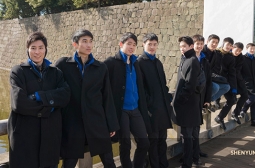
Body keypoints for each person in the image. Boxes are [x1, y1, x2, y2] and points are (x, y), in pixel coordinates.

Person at [55, 29, 119, 168]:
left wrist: (111, 123)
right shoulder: (63, 65)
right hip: (73, 122)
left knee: (108, 160)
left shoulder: (100, 67)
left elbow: (107, 96)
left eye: (90, 41)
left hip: (97, 121)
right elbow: (54, 89)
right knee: (69, 162)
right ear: (75, 44)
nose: (88, 45)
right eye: (84, 41)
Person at [8, 31, 70, 168]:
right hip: (25, 136)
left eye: (41, 48)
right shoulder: (18, 71)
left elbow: (65, 95)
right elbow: (18, 103)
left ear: (46, 49)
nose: (37, 52)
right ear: (27, 50)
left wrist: (39, 96)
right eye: (33, 48)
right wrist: (50, 107)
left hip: (50, 136)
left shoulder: (56, 73)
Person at [104, 32, 151, 168]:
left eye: (134, 44)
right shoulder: (111, 62)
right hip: (121, 110)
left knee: (144, 142)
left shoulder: (135, 62)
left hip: (135, 109)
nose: (131, 47)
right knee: (125, 144)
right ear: (121, 44)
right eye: (128, 44)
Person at [138, 33, 172, 168]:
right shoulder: (140, 62)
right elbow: (141, 88)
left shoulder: (157, 62)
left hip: (163, 108)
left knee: (162, 140)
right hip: (151, 110)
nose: (152, 47)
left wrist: (167, 98)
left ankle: (164, 164)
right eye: (149, 44)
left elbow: (163, 84)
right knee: (153, 141)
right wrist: (149, 103)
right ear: (143, 44)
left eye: (154, 44)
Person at [172, 36, 201, 168]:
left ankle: (187, 163)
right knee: (187, 134)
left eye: (184, 46)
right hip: (187, 103)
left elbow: (189, 85)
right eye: (180, 46)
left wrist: (179, 100)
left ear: (190, 46)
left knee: (187, 135)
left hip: (188, 104)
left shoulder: (192, 60)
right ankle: (188, 159)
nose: (181, 49)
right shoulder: (185, 58)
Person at [192, 34, 212, 159]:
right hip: (191, 98)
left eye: (201, 44)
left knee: (197, 125)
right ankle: (190, 153)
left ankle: (197, 150)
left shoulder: (205, 60)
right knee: (190, 128)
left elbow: (209, 81)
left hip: (201, 97)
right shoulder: (188, 58)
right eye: (197, 44)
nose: (199, 46)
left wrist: (207, 99)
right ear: (192, 45)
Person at [213, 37, 237, 130]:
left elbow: (232, 73)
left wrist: (234, 89)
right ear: (223, 44)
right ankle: (216, 100)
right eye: (227, 44)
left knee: (232, 100)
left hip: (224, 81)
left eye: (231, 45)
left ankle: (220, 117)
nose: (229, 47)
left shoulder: (231, 57)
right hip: (214, 79)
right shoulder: (216, 53)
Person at [202, 34, 230, 112]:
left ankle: (207, 102)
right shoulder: (202, 52)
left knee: (226, 87)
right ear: (207, 41)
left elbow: (213, 70)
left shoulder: (215, 54)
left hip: (209, 77)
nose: (214, 44)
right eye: (213, 42)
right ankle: (202, 103)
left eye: (216, 43)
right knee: (215, 87)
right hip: (201, 79)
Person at [240, 43, 255, 128]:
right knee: (252, 98)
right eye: (251, 48)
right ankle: (243, 110)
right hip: (246, 83)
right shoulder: (243, 58)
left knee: (254, 102)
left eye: (254, 49)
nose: (252, 50)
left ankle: (254, 121)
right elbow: (240, 71)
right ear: (247, 49)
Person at [231, 42, 248, 124]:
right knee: (232, 99)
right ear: (232, 48)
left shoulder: (241, 58)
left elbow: (238, 70)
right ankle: (221, 116)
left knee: (245, 95)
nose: (237, 52)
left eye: (240, 51)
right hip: (229, 79)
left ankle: (235, 113)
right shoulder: (227, 56)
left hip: (238, 78)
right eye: (236, 50)